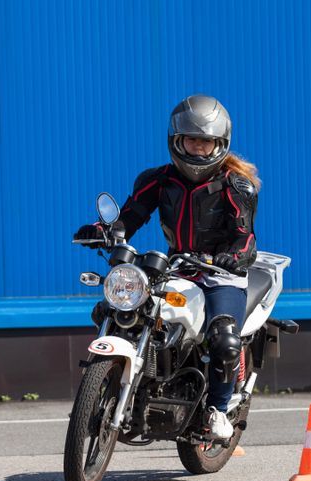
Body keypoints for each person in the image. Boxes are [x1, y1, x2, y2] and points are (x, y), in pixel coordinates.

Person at [74, 94, 259, 440]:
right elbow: (130, 217)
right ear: (177, 140)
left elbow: (244, 237)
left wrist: (231, 257)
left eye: (205, 142)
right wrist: (103, 233)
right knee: (116, 311)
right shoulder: (157, 179)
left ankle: (218, 409)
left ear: (219, 144)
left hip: (220, 274)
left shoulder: (236, 185)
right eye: (191, 140)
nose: (197, 149)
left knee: (224, 339)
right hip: (178, 266)